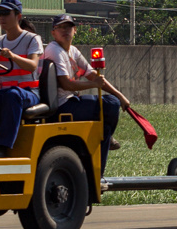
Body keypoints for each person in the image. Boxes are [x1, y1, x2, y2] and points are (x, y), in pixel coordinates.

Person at [44, 14, 127, 173]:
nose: (65, 30)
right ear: (53, 32)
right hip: (61, 106)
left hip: (71, 101)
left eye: (68, 27)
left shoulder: (72, 51)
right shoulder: (54, 50)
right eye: (60, 27)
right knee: (110, 106)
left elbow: (93, 75)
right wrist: (95, 85)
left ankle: (97, 171)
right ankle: (98, 171)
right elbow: (66, 84)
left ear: (74, 30)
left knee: (107, 118)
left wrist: (120, 96)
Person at [0, 0, 44, 157]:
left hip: (28, 93)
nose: (1, 17)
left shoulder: (32, 39)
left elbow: (32, 65)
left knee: (13, 95)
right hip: (3, 93)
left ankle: (2, 146)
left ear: (18, 16)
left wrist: (13, 56)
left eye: (6, 13)